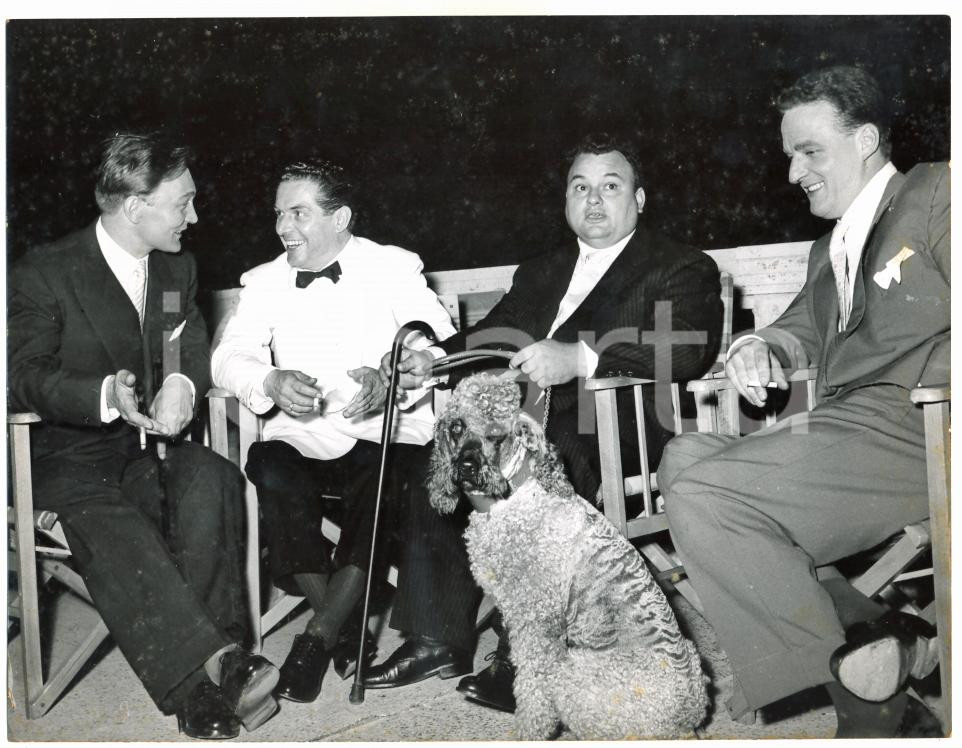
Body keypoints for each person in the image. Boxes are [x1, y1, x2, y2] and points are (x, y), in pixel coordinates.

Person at [363, 133, 724, 712]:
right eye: (580, 187)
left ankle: (525, 652)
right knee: (443, 455)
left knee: (545, 454)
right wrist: (433, 360)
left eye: (611, 186)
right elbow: (493, 334)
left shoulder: (678, 265)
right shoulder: (541, 270)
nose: (594, 200)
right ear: (565, 199)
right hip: (529, 420)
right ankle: (435, 636)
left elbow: (688, 347)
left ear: (639, 198)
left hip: (614, 425)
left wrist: (581, 357)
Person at [659, 66, 948, 738]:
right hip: (850, 432)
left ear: (866, 140)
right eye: (790, 155)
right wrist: (757, 347)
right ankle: (874, 638)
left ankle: (873, 710)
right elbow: (796, 331)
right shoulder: (828, 249)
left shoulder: (938, 192)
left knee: (707, 494)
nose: (794, 173)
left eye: (810, 151)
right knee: (684, 458)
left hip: (924, 426)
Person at [8, 132, 280, 740]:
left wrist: (181, 380)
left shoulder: (176, 267)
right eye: (183, 202)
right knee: (108, 518)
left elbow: (185, 336)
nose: (195, 216)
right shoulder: (43, 272)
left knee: (211, 476)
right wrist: (105, 394)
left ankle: (219, 672)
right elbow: (20, 377)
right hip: (58, 457)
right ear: (135, 206)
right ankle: (208, 676)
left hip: (142, 450)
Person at [211, 159, 456, 705]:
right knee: (268, 463)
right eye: (279, 214)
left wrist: (397, 373)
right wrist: (269, 379)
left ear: (339, 217)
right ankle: (343, 627)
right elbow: (227, 357)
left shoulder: (393, 266)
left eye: (298, 213)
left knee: (380, 468)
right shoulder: (264, 280)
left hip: (387, 432)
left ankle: (316, 638)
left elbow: (437, 344)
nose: (283, 227)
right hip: (307, 436)